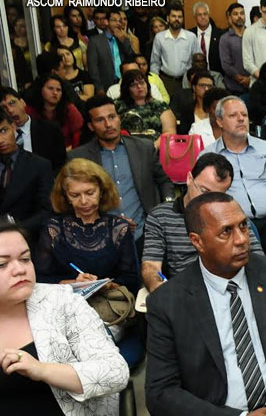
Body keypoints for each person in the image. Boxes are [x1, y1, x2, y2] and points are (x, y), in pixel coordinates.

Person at [144, 192, 266, 416]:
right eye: (226, 231)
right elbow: (161, 393)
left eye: (243, 226)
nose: (242, 239)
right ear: (197, 241)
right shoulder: (168, 302)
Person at [0, 223, 129, 416]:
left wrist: (42, 370)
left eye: (25, 259)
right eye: (2, 264)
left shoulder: (62, 301)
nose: (19, 269)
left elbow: (116, 372)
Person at [141, 152, 263, 292]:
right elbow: (151, 266)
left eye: (218, 195)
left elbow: (258, 259)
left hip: (231, 286)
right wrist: (161, 291)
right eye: (204, 192)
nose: (209, 201)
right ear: (189, 179)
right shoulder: (160, 216)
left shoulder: (231, 215)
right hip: (186, 291)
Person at [201, 96, 266, 263]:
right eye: (233, 115)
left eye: (244, 115)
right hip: (232, 226)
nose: (241, 119)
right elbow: (204, 197)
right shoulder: (209, 156)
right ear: (219, 122)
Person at [69, 95, 175, 244]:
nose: (108, 124)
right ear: (91, 126)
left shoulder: (143, 148)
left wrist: (168, 207)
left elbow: (164, 181)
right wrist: (106, 223)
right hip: (102, 237)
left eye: (112, 117)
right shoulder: (79, 158)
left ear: (119, 118)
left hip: (147, 233)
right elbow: (74, 202)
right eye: (100, 120)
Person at [34, 158, 140, 294]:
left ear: (102, 191)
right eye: (75, 195)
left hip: (109, 301)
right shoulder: (53, 229)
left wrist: (106, 285)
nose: (84, 201)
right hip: (66, 300)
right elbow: (39, 279)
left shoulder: (119, 228)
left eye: (90, 193)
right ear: (66, 197)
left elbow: (132, 280)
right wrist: (74, 283)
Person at [0, 110, 52, 242]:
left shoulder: (39, 165)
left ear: (13, 127)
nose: (0, 140)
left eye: (3, 131)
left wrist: (16, 230)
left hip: (28, 238)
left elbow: (47, 211)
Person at [0, 87, 66, 172]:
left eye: (12, 103)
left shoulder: (50, 129)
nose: (10, 110)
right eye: (3, 107)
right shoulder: (3, 139)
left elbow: (61, 165)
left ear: (23, 102)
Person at [113, 69, 176, 148]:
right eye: (133, 85)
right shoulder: (117, 106)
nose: (139, 87)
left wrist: (153, 147)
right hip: (125, 147)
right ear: (126, 88)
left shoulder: (160, 106)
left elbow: (169, 132)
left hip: (156, 147)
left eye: (142, 83)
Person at [150, 3, 196, 100]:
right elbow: (155, 62)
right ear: (168, 18)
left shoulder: (191, 37)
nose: (177, 19)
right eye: (173, 16)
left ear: (183, 19)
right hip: (166, 81)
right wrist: (156, 82)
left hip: (186, 82)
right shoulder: (159, 37)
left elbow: (196, 61)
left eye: (180, 17)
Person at [25, 74, 84, 149]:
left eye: (58, 90)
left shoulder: (69, 109)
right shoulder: (30, 110)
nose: (55, 93)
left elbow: (79, 135)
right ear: (40, 89)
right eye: (50, 88)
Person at [85, 9, 134, 93]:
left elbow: (131, 57)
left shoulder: (123, 39)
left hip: (124, 82)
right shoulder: (95, 41)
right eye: (114, 20)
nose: (118, 23)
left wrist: (124, 41)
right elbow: (93, 68)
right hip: (105, 85)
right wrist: (99, 88)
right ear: (106, 22)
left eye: (120, 21)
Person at [220, 2, 252, 96]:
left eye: (242, 13)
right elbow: (226, 64)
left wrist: (250, 79)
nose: (239, 16)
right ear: (229, 17)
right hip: (233, 88)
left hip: (253, 85)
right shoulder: (225, 38)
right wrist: (241, 79)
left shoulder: (253, 35)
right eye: (235, 14)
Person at [171, 69, 215, 134]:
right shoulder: (186, 110)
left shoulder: (217, 110)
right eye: (202, 85)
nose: (206, 89)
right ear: (194, 87)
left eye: (209, 86)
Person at [187, 1, 224, 74]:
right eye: (199, 15)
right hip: (195, 75)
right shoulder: (189, 34)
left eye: (205, 14)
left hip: (216, 75)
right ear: (195, 17)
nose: (203, 17)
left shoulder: (220, 34)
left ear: (208, 15)